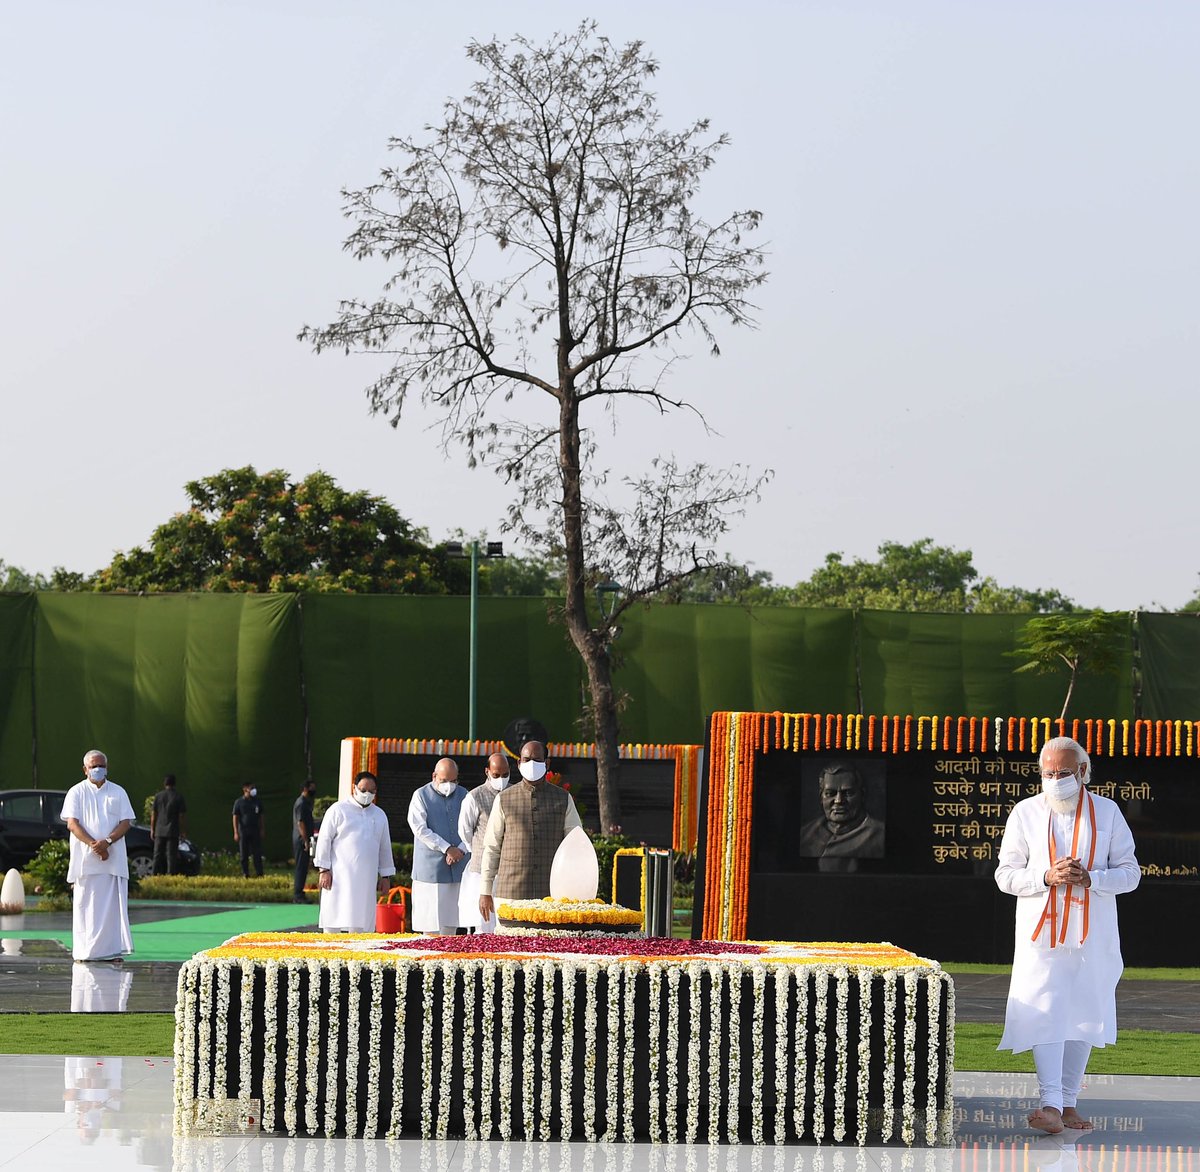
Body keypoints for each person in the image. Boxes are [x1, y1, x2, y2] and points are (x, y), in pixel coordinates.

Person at [995, 736, 1140, 1135]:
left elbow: (1131, 873)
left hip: (1093, 932)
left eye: (1062, 772)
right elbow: (1005, 875)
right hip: (1040, 934)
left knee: (1084, 1008)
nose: (1055, 779)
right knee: (1046, 1007)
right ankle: (1050, 1104)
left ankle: (1069, 1102)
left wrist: (1093, 878)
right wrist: (1046, 876)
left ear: (1082, 772)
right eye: (1048, 773)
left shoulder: (1108, 812)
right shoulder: (1025, 812)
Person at [478, 740, 582, 923]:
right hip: (511, 892)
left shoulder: (563, 799)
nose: (531, 764)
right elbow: (491, 847)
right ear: (518, 764)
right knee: (509, 950)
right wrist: (485, 891)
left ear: (547, 764)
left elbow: (576, 844)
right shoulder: (504, 799)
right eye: (526, 760)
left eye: (536, 759)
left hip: (552, 894)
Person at [61, 750, 135, 963]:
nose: (97, 769)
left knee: (111, 907)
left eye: (101, 765)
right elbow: (72, 823)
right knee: (86, 905)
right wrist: (94, 845)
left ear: (107, 768)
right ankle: (85, 953)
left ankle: (111, 952)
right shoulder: (76, 792)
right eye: (93, 766)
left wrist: (107, 842)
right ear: (85, 769)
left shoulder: (118, 792)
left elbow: (125, 822)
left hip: (112, 859)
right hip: (86, 861)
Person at [313, 771, 395, 932]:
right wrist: (323, 869)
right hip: (338, 877)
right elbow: (324, 839)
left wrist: (385, 876)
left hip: (366, 879)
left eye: (372, 791)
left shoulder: (379, 815)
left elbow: (385, 847)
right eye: (363, 790)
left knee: (361, 921)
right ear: (354, 788)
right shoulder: (338, 810)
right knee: (333, 919)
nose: (367, 794)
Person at [407, 758, 470, 935]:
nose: (449, 785)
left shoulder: (465, 794)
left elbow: (474, 826)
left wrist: (461, 849)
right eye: (444, 780)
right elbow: (419, 828)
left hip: (458, 866)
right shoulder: (420, 795)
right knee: (430, 925)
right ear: (434, 776)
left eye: (453, 781)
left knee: (452, 922)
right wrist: (447, 848)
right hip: (430, 870)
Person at [457, 753, 511, 932]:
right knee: (483, 924)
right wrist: (480, 850)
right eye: (496, 775)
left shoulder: (515, 793)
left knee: (507, 925)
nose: (501, 779)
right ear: (487, 772)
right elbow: (465, 831)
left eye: (505, 775)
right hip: (481, 868)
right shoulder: (474, 796)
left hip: (509, 870)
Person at [796, 762, 885, 869]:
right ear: (821, 797)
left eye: (848, 793)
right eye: (830, 793)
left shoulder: (880, 835)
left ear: (862, 795)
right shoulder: (805, 834)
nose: (839, 801)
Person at [150, 774, 187, 875]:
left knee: (157, 854)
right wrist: (183, 831)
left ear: (164, 783)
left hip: (159, 830)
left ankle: (154, 874)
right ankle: (170, 875)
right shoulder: (178, 797)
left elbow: (154, 815)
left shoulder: (158, 796)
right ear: (174, 784)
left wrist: (152, 829)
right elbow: (181, 816)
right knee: (171, 855)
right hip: (173, 830)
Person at [231, 782, 265, 878]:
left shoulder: (257, 802)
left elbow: (261, 816)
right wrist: (236, 832)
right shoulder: (239, 802)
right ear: (245, 789)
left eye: (254, 787)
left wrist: (262, 829)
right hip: (243, 831)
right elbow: (235, 817)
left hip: (255, 830)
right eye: (251, 788)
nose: (253, 790)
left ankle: (259, 873)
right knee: (244, 854)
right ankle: (245, 873)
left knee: (257, 853)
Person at [292, 779, 318, 903]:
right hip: (301, 839)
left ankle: (300, 892)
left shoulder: (306, 802)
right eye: (311, 788)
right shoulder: (301, 803)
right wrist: (305, 840)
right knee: (301, 867)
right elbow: (300, 822)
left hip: (304, 838)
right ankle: (298, 895)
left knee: (304, 866)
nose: (313, 790)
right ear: (305, 789)